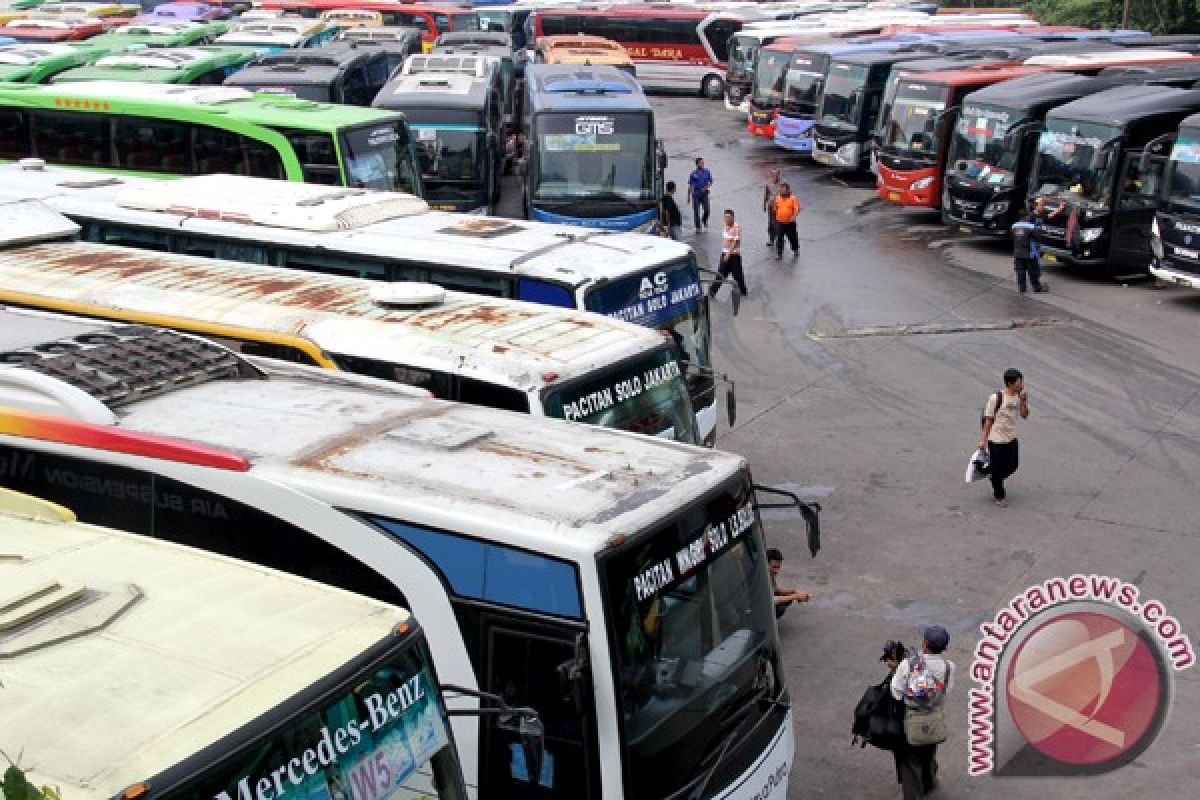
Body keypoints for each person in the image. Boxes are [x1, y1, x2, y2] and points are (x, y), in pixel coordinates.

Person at [891, 626, 954, 799]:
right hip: (934, 718)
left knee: (910, 760)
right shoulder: (949, 667)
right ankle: (929, 782)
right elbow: (946, 692)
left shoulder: (908, 665)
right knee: (929, 751)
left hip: (911, 718)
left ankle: (914, 794)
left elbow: (896, 692)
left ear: (925, 643)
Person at [979, 368, 1029, 508]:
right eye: (1020, 382)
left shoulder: (1019, 397)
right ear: (1010, 383)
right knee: (999, 468)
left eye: (1022, 381)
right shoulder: (996, 398)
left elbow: (1025, 415)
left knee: (1013, 465)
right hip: (996, 439)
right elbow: (988, 420)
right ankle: (999, 495)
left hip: (1011, 437)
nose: (1022, 384)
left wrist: (1024, 401)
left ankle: (993, 475)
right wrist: (983, 440)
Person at [709, 209, 747, 298]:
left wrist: (728, 254)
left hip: (733, 256)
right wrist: (725, 253)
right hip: (725, 254)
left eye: (729, 217)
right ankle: (712, 291)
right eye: (725, 217)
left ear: (733, 217)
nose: (727, 219)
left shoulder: (736, 227)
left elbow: (736, 242)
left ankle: (743, 291)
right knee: (720, 274)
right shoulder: (725, 226)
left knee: (737, 275)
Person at [766, 547, 811, 619]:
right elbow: (771, 600)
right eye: (774, 567)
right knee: (780, 608)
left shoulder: (768, 574)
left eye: (778, 567)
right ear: (766, 563)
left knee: (789, 597)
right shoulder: (762, 578)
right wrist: (795, 596)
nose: (777, 571)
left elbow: (776, 590)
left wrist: (794, 592)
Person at [1010, 208, 1046, 293]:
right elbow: (1038, 238)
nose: (1029, 217)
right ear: (1026, 217)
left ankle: (1022, 288)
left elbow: (1013, 237)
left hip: (1017, 252)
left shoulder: (1014, 226)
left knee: (1020, 271)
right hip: (1029, 253)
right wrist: (1040, 230)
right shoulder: (1031, 226)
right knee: (1032, 271)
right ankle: (1037, 288)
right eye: (1029, 216)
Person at [772, 182, 800, 261]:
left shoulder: (793, 198)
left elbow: (797, 209)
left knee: (793, 237)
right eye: (781, 189)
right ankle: (779, 254)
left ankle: (795, 249)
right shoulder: (777, 198)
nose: (781, 191)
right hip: (780, 223)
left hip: (790, 223)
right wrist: (774, 220)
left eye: (783, 190)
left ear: (788, 190)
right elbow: (775, 209)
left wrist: (794, 217)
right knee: (779, 238)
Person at [687, 157, 713, 231]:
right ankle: (698, 226)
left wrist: (706, 187)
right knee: (696, 211)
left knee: (707, 210)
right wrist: (689, 196)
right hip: (696, 194)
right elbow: (690, 185)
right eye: (701, 163)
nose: (703, 164)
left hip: (704, 194)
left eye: (703, 162)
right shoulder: (693, 174)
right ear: (697, 164)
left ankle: (704, 220)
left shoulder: (707, 171)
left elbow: (710, 181)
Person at [763, 168, 783, 248]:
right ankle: (771, 239)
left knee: (780, 223)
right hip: (771, 206)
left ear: (779, 175)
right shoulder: (768, 184)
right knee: (771, 223)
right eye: (773, 175)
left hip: (781, 207)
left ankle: (780, 237)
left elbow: (789, 195)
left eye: (776, 174)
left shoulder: (783, 184)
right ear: (771, 175)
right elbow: (766, 194)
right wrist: (764, 204)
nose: (775, 176)